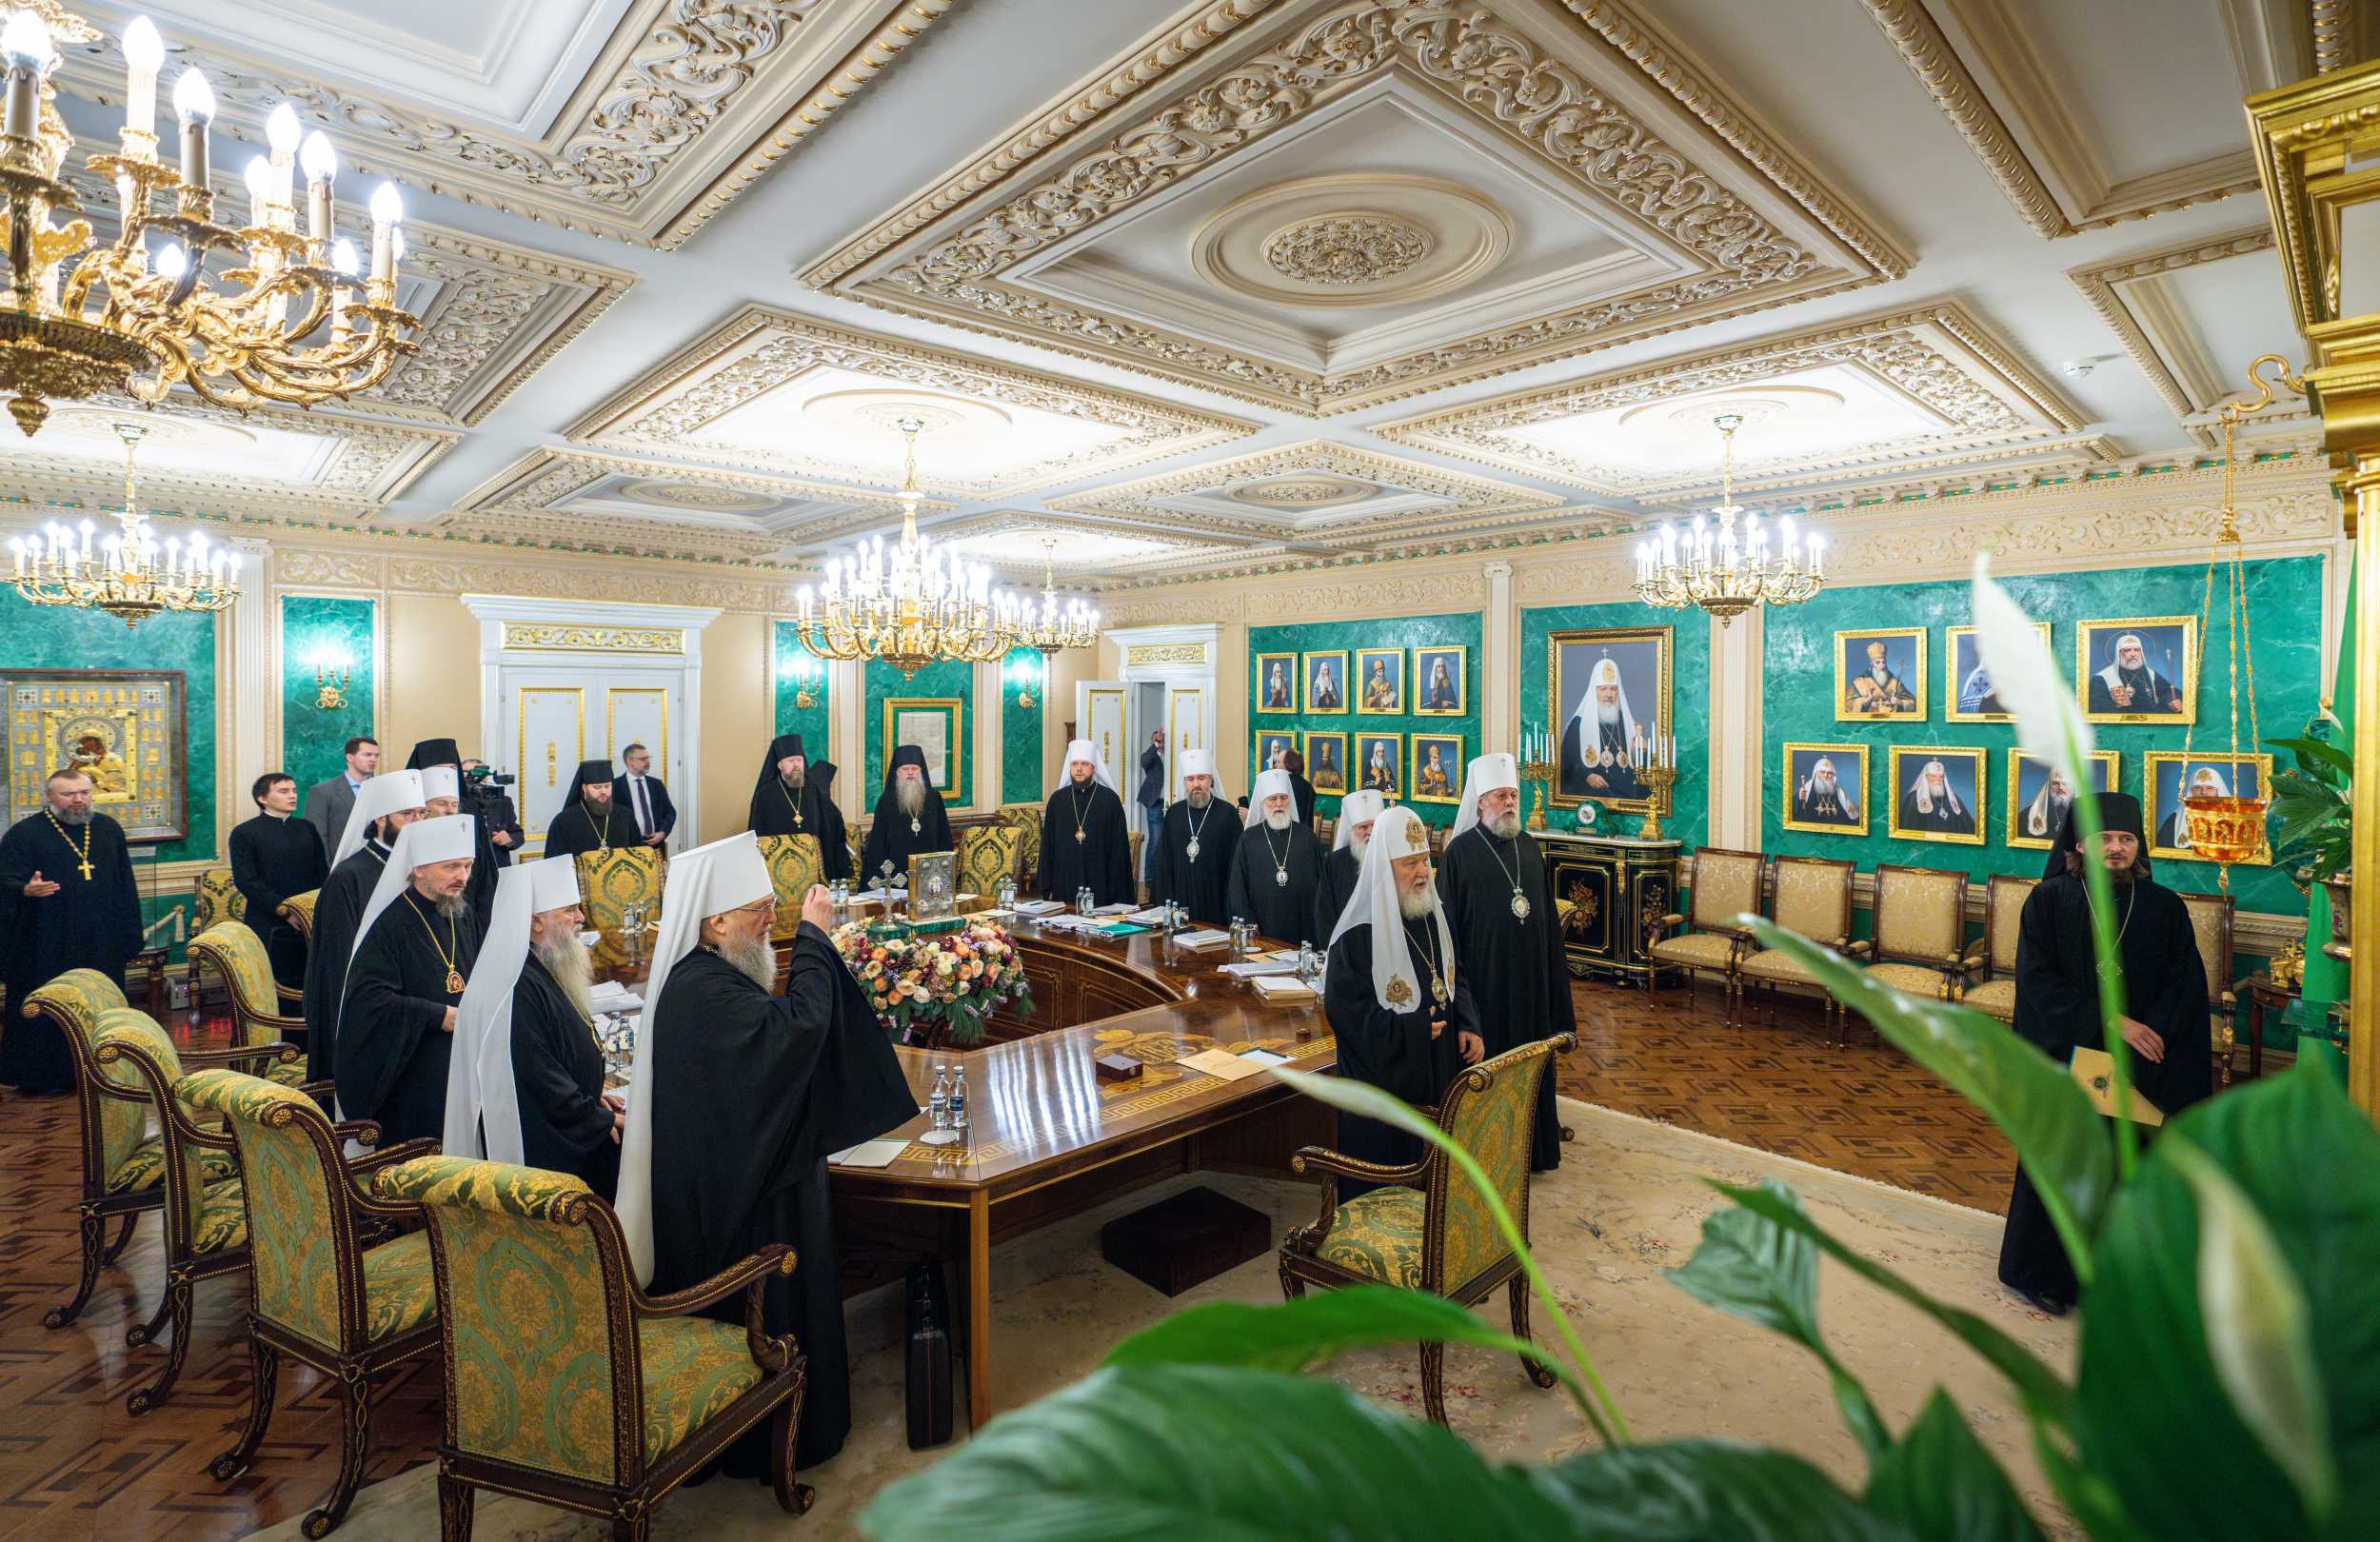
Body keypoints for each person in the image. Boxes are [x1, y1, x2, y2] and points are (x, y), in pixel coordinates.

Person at [617, 833, 914, 1471]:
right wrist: (814, 939)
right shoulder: (704, 990)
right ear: (716, 921)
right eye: (760, 908)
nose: (770, 919)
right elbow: (798, 1028)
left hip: (748, 1173)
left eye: (774, 906)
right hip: (747, 1204)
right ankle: (773, 1440)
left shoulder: (710, 976)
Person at [1998, 793, 2211, 1315]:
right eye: (2105, 839)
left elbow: (2184, 985)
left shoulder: (2164, 907)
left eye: (2126, 839)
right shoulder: (2048, 902)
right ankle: (2046, 1273)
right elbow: (2036, 982)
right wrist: (2110, 1023)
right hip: (2071, 1052)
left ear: (2138, 846)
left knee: (2132, 1163)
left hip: (2141, 1060)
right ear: (2080, 845)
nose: (2116, 848)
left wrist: (2149, 1035)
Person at [1323, 805, 1480, 1196]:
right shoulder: (1356, 935)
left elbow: (1455, 974)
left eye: (1425, 859)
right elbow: (1346, 1015)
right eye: (1411, 863)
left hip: (1439, 1064)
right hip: (1384, 1087)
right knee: (1386, 1189)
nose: (1424, 872)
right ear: (1384, 866)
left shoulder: (1432, 912)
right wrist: (1411, 1029)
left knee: (1436, 1186)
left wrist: (1468, 1023)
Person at [446, 855, 622, 1199]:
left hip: (572, 1112)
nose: (581, 918)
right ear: (536, 922)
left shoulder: (542, 964)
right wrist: (594, 1118)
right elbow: (539, 1080)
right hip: (546, 1151)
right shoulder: (516, 988)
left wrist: (590, 1091)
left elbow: (559, 1049)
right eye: (569, 910)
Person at [1439, 753, 1574, 1172]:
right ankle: (1489, 1155)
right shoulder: (1459, 854)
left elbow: (1549, 931)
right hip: (1486, 991)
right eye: (1501, 796)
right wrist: (1464, 1012)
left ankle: (1535, 1151)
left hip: (1531, 989)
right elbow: (1448, 938)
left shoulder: (1530, 848)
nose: (1510, 803)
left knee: (1532, 1071)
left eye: (1514, 795)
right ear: (1481, 801)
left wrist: (1560, 1007)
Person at [339, 813, 481, 1143]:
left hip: (464, 1041)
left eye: (467, 866)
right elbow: (368, 1001)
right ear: (419, 869)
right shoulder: (391, 924)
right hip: (413, 1054)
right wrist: (436, 1015)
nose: (462, 877)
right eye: (451, 867)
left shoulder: (460, 912)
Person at [0, 769, 145, 1094]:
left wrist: (129, 931)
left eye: (84, 792)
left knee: (103, 1005)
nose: (78, 799)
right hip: (47, 940)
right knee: (50, 1008)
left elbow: (126, 883)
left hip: (101, 940)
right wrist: (25, 890)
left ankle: (106, 1074)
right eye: (68, 794)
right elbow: (4, 879)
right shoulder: (25, 834)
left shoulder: (107, 828)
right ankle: (45, 1078)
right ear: (49, 796)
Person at [307, 770, 426, 1084]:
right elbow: (339, 962)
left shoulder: (424, 871)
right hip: (372, 1005)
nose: (418, 823)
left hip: (417, 1001)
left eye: (422, 814)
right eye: (407, 815)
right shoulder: (349, 877)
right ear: (381, 819)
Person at [228, 771, 327, 991]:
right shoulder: (245, 833)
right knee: (274, 984)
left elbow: (322, 872)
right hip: (269, 920)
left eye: (294, 791)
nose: (292, 795)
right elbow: (247, 881)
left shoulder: (306, 828)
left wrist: (314, 909)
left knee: (311, 981)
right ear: (262, 798)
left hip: (309, 919)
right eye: (283, 791)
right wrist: (286, 912)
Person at [1226, 767, 1327, 946]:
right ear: (1262, 802)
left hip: (1304, 928)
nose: (1279, 804)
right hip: (1262, 928)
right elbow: (1237, 888)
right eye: (1272, 799)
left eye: (1283, 798)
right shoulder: (1248, 839)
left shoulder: (1307, 836)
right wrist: (1249, 923)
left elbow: (1323, 885)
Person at [407, 739, 498, 923]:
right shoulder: (408, 812)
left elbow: (484, 866)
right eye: (438, 770)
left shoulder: (470, 808)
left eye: (451, 769)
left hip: (467, 905)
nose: (445, 775)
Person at [1148, 748, 1240, 925]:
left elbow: (1235, 866)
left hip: (1215, 901)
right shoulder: (1174, 814)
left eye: (1201, 778)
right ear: (1185, 782)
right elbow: (1163, 862)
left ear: (1211, 780)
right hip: (1179, 902)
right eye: (1190, 779)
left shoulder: (1227, 814)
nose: (1196, 784)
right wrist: (1165, 905)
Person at [1041, 739, 1135, 906]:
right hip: (1064, 884)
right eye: (1075, 764)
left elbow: (1119, 852)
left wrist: (1117, 894)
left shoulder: (1110, 801)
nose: (1079, 769)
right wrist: (1047, 887)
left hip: (1102, 886)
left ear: (1093, 768)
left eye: (1084, 764)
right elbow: (1047, 847)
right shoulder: (1057, 801)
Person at [747, 733, 850, 880]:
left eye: (799, 760)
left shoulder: (812, 789)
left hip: (814, 868)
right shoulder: (765, 795)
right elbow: (757, 834)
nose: (796, 765)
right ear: (780, 765)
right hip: (779, 870)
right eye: (791, 761)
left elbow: (830, 819)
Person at [860, 745, 953, 886]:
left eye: (914, 769)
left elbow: (943, 835)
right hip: (896, 871)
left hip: (929, 870)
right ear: (897, 773)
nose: (910, 773)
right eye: (905, 769)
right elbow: (878, 841)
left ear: (921, 771)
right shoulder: (886, 801)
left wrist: (944, 871)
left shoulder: (934, 798)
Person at [1560, 657, 1646, 801]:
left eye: (1613, 689)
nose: (1609, 695)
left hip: (1626, 797)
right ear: (1594, 691)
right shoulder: (1579, 724)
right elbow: (1567, 762)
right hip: (1593, 796)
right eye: (1603, 689)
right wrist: (1587, 775)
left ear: (1618, 692)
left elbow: (1637, 766)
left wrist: (1643, 751)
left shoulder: (1625, 721)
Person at [1314, 787, 1382, 939]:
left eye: (1375, 825)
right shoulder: (1334, 863)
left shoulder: (1391, 859)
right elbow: (1324, 914)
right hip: (1346, 944)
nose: (1370, 831)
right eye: (1363, 827)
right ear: (1352, 831)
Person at [305, 735, 379, 857]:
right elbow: (316, 837)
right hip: (340, 863)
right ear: (350, 757)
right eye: (367, 755)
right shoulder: (323, 792)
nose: (373, 759)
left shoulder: (381, 790)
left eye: (376, 755)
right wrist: (327, 867)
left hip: (378, 862)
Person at [544, 760, 625, 859]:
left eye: (607, 786)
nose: (603, 791)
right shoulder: (563, 821)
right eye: (597, 787)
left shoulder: (626, 816)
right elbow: (555, 860)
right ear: (584, 788)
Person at [2087, 632, 2186, 715]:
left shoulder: (2149, 673)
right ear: (2119, 653)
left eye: (2137, 650)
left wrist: (2172, 702)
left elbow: (2168, 691)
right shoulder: (2103, 678)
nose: (2133, 654)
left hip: (2153, 721)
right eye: (2127, 650)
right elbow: (2100, 707)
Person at [462, 759, 524, 867]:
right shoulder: (453, 803)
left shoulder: (503, 801)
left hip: (498, 866)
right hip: (467, 867)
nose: (476, 779)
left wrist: (509, 839)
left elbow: (518, 834)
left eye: (481, 775)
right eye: (470, 774)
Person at [613, 742, 675, 850]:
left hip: (656, 844)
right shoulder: (615, 786)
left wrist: (663, 832)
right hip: (627, 846)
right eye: (643, 759)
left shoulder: (656, 784)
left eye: (648, 758)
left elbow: (670, 812)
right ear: (630, 761)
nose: (648, 762)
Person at [2157, 766, 2229, 850]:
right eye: (2197, 788)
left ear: (2218, 792)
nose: (2203, 792)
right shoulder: (2175, 819)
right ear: (2191, 792)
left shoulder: (2231, 819)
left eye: (2210, 788)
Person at [1897, 758, 1972, 836]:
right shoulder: (1913, 798)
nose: (1938, 779)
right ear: (1925, 777)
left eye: (1941, 776)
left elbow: (1967, 825)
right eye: (1933, 776)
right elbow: (1907, 826)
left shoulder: (1952, 798)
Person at [1845, 640, 1917, 715]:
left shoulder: (1895, 683)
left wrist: (1900, 702)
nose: (1882, 666)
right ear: (1872, 664)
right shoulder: (1860, 682)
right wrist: (1866, 701)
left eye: (1883, 662)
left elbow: (1914, 703)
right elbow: (1848, 703)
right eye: (1877, 662)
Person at [1136, 729, 1167, 883]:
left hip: (1172, 802)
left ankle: (1165, 876)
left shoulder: (1173, 755)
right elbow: (1144, 761)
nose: (1160, 740)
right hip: (1156, 803)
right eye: (1157, 738)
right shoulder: (1151, 756)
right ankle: (1150, 877)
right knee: (1156, 839)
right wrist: (1156, 745)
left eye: (1162, 738)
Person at [1793, 756, 1859, 826]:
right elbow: (1795, 810)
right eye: (1822, 772)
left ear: (1833, 775)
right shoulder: (1806, 790)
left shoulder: (1839, 793)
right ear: (1816, 773)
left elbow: (1850, 815)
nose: (1826, 775)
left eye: (1829, 773)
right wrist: (1800, 800)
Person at [2024, 764, 2077, 843]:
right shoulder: (2027, 814)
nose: (2061, 788)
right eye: (2055, 783)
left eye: (2065, 783)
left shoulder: (2086, 814)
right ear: (2048, 786)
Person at [1282, 747, 1318, 830]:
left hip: (1288, 832)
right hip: (1306, 833)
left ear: (1288, 764)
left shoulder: (1283, 784)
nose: (1275, 765)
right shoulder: (1308, 786)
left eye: (1279, 762)